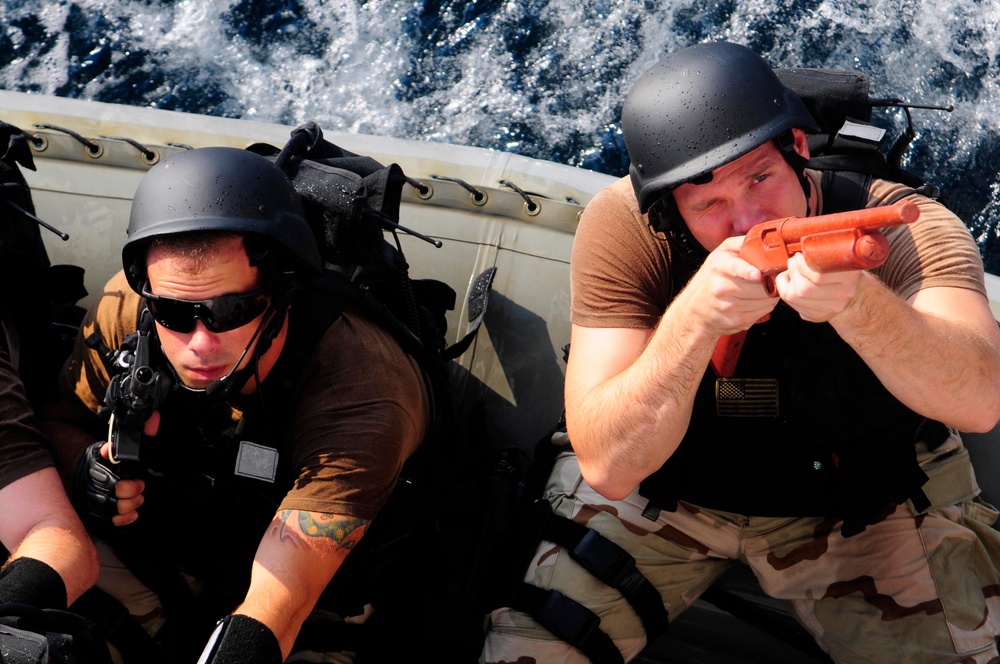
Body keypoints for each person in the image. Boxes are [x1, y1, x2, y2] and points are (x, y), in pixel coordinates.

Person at [481, 41, 1000, 663]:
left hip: (859, 499)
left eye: (760, 178)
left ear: (799, 151)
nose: (747, 219)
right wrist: (695, 320)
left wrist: (858, 303)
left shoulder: (895, 222)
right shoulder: (627, 225)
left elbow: (980, 400)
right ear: (671, 206)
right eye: (709, 205)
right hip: (669, 492)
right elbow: (608, 465)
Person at [43, 146, 432, 663]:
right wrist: (86, 469)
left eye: (230, 310)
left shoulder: (360, 387)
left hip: (313, 607)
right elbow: (60, 419)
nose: (200, 342)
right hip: (173, 562)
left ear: (280, 294)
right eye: (174, 313)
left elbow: (279, 604)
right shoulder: (132, 312)